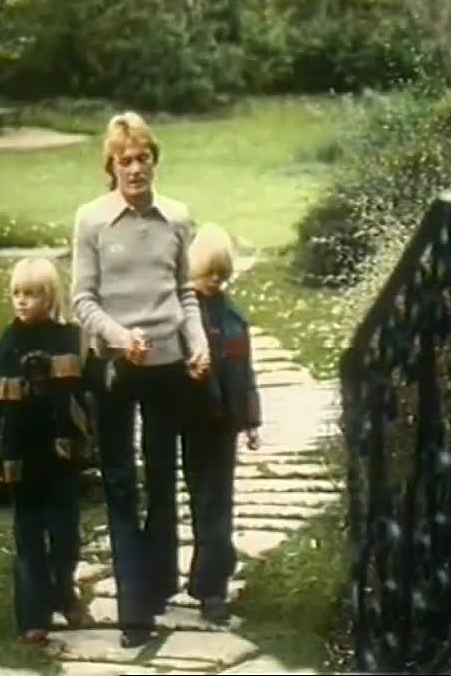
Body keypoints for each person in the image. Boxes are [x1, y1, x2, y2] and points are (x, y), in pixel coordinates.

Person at [70, 111, 210, 647]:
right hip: (113, 368)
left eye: (143, 158)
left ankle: (154, 588)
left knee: (161, 478)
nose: (135, 168)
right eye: (125, 160)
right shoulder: (90, 221)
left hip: (167, 367)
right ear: (111, 166)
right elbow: (82, 299)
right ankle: (133, 611)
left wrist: (197, 345)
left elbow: (186, 292)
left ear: (154, 161)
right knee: (122, 485)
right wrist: (118, 335)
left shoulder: (176, 217)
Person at [0, 257, 90, 645]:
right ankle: (33, 615)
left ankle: (64, 590)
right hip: (19, 456)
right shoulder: (7, 345)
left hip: (61, 455)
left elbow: (89, 389)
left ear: (50, 296)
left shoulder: (69, 339)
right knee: (28, 538)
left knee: (65, 534)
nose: (22, 301)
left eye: (32, 294)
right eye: (17, 294)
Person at [180, 223, 262, 624]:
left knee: (220, 501)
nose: (214, 281)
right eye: (207, 273)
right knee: (208, 503)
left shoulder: (233, 317)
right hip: (197, 422)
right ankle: (210, 586)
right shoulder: (186, 315)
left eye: (220, 274)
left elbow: (245, 372)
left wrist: (251, 420)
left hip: (226, 424)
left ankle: (211, 582)